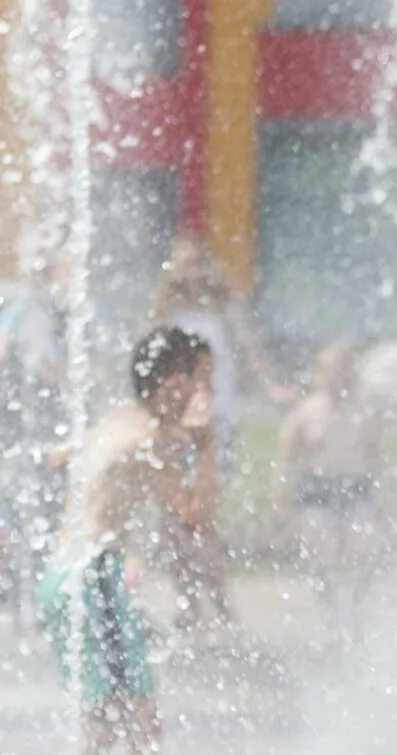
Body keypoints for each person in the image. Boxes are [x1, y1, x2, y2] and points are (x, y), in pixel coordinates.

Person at [37, 327, 215, 755]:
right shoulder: (148, 438)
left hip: (67, 574)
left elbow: (60, 458)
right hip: (94, 578)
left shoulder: (120, 421)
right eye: (202, 383)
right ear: (175, 383)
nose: (206, 395)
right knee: (135, 727)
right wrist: (206, 446)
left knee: (105, 725)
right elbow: (191, 513)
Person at [146, 236, 289, 631]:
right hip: (174, 425)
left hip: (215, 424)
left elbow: (248, 350)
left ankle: (221, 603)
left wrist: (269, 385)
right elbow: (148, 364)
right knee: (173, 520)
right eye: (182, 264)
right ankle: (188, 603)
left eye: (196, 263)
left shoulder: (223, 308)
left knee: (202, 518)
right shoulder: (164, 311)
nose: (189, 273)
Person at [274, 342, 384, 641]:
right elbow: (285, 458)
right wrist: (280, 498)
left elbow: (375, 457)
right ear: (319, 374)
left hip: (356, 486)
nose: (337, 377)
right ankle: (331, 614)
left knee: (365, 549)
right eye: (330, 371)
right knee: (321, 554)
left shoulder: (364, 411)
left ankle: (357, 611)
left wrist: (379, 498)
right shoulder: (307, 411)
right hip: (319, 489)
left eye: (343, 370)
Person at [0, 261, 68, 623]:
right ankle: (21, 594)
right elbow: (23, 360)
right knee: (29, 510)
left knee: (26, 509)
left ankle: (18, 592)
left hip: (27, 430)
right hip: (28, 431)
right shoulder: (31, 311)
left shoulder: (34, 310)